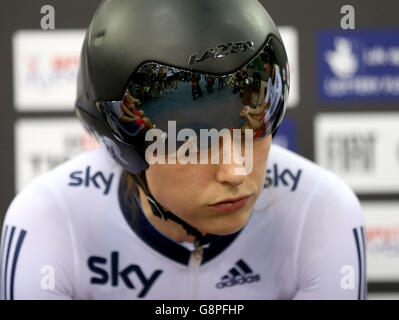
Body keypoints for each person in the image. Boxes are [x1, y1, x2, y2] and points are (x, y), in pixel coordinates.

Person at [0, 0, 366, 300]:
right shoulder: (51, 218)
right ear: (124, 145)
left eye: (257, 122)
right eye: (191, 138)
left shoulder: (320, 209)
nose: (236, 172)